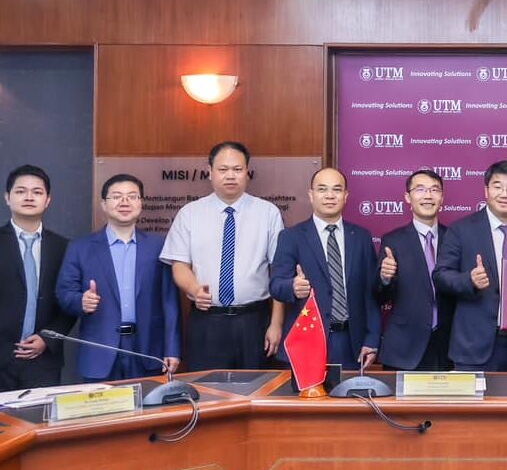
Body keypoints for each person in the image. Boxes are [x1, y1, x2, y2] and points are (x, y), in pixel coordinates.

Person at [160, 141, 285, 370]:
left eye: (237, 170)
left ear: (247, 172)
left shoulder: (267, 213)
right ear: (209, 172)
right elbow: (179, 265)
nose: (230, 176)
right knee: (209, 394)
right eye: (223, 169)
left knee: (255, 393)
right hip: (207, 321)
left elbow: (279, 271)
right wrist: (194, 289)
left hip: (254, 320)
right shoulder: (190, 213)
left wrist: (276, 323)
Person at [56, 174, 181, 381]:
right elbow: (63, 292)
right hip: (100, 351)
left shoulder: (158, 246)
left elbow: (169, 301)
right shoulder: (80, 248)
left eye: (132, 196)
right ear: (103, 204)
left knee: (149, 411)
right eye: (116, 196)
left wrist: (172, 348)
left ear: (141, 203)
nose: (125, 202)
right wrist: (81, 301)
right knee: (104, 413)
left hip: (147, 350)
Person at [433, 160, 507, 371]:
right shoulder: (461, 230)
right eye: (497, 186)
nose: (504, 193)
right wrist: (469, 280)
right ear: (486, 191)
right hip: (472, 348)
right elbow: (441, 276)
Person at [270, 167, 380, 370]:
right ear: (311, 195)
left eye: (337, 190)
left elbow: (370, 293)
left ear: (346, 196)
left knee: (348, 401)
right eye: (322, 189)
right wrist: (292, 287)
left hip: (351, 344)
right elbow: (275, 285)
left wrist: (372, 339)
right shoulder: (291, 237)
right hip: (305, 341)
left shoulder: (362, 237)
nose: (330, 195)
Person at [0, 165, 76, 391]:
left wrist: (47, 339)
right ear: (7, 197)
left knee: (39, 424)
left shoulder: (64, 247)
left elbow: (68, 303)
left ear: (48, 200)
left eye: (37, 192)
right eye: (21, 191)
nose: (29, 197)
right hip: (1, 357)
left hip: (44, 361)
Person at [377, 169, 454, 371]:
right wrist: (385, 278)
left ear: (442, 197)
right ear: (407, 197)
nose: (428, 196)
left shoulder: (455, 238)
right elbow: (380, 296)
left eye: (434, 190)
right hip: (405, 348)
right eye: (420, 189)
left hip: (448, 348)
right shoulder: (393, 240)